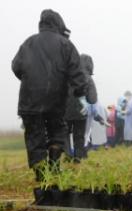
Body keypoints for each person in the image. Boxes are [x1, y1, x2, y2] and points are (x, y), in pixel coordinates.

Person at [12, 9, 89, 181]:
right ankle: (54, 168)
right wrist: (81, 94)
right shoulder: (65, 44)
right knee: (57, 131)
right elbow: (77, 73)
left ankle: (41, 176)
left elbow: (16, 67)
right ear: (58, 24)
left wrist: (30, 81)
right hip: (55, 100)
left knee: (34, 136)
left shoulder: (28, 43)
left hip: (29, 100)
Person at [65, 54, 97, 163]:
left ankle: (67, 154)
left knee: (64, 133)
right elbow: (93, 99)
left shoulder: (67, 74)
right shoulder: (88, 78)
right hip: (81, 111)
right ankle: (78, 158)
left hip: (65, 110)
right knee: (79, 135)